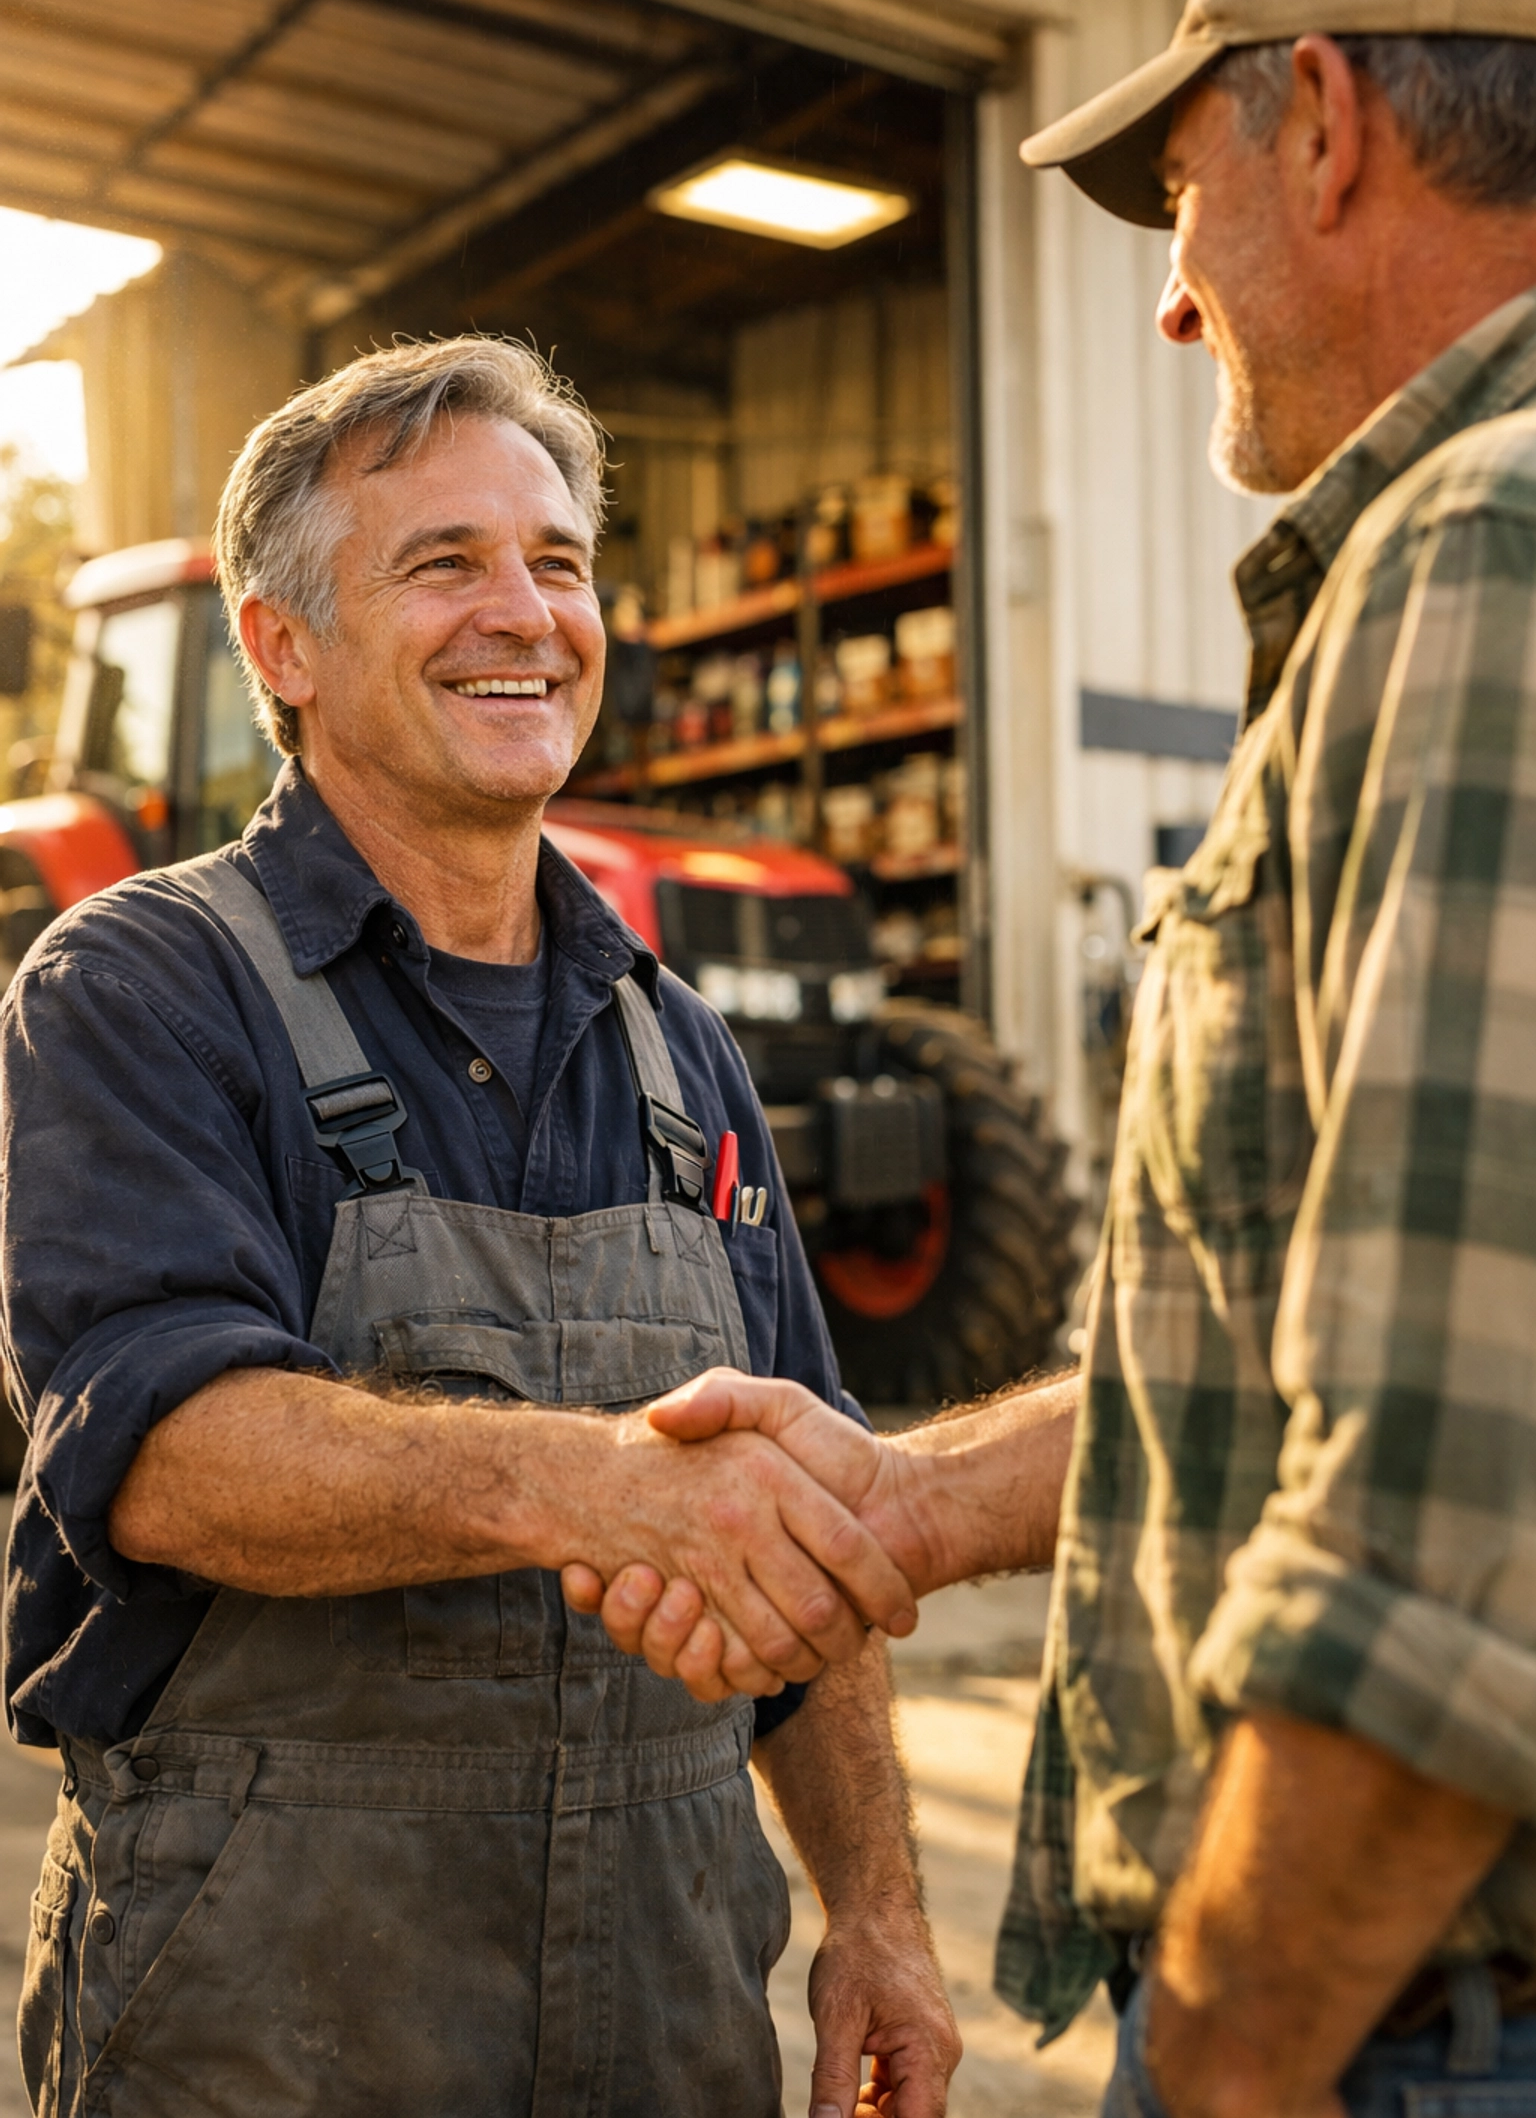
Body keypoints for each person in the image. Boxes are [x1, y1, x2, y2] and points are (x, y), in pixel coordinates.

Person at [566, 0, 1536, 2110]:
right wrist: (893, 1502)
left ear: (1324, 123)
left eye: (1182, 191)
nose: (1177, 297)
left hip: (1416, 2024)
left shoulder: (1480, 556)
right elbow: (1333, 1344)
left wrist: (1215, 2059)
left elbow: (1448, 1525)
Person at [0, 338, 961, 2118]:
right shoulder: (139, 987)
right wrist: (592, 1484)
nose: (525, 612)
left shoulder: (683, 1049)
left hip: (672, 2029)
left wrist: (880, 1916)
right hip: (267, 2039)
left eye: (561, 562)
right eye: (443, 562)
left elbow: (809, 1540)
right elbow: (162, 1457)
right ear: (280, 644)